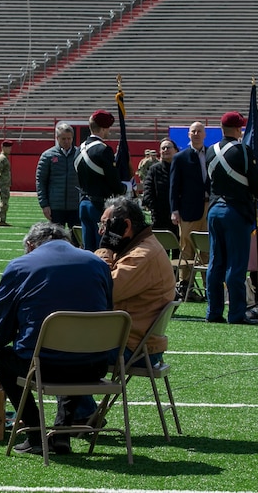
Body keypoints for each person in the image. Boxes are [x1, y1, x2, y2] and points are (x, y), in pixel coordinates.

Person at [0, 222, 113, 455]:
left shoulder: (20, 266)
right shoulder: (98, 264)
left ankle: (35, 434)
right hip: (94, 365)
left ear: (30, 246)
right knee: (70, 348)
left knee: (3, 359)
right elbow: (107, 312)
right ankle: (62, 434)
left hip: (45, 366)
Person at [95, 195, 176, 365]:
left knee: (63, 349)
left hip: (133, 348)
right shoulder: (135, 247)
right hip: (126, 339)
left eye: (105, 225)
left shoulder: (142, 255)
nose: (101, 232)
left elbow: (102, 291)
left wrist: (105, 249)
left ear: (126, 226)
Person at [204, 112, 258, 325]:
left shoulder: (211, 150)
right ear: (238, 129)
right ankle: (236, 314)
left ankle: (213, 311)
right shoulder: (243, 150)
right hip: (235, 210)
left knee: (215, 263)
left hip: (215, 209)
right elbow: (255, 183)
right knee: (236, 265)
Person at [169, 122, 209, 296]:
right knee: (187, 249)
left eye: (199, 131)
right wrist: (174, 210)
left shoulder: (212, 155)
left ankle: (210, 287)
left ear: (205, 134)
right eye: (193, 131)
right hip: (188, 211)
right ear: (188, 135)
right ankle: (185, 286)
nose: (196, 134)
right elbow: (174, 186)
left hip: (210, 207)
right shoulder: (180, 157)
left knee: (208, 248)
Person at [75, 110, 124, 250]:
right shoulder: (103, 150)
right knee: (102, 247)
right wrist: (124, 188)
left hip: (83, 202)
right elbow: (113, 181)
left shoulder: (79, 149)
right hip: (99, 205)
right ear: (103, 128)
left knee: (88, 247)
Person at [35, 122, 80, 230]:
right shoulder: (48, 156)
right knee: (56, 239)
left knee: (76, 241)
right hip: (55, 207)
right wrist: (44, 205)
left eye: (69, 138)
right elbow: (41, 180)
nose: (66, 141)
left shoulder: (79, 154)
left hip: (75, 206)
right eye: (63, 138)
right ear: (57, 138)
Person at [142, 138, 178, 234]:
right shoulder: (154, 169)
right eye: (163, 148)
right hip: (159, 216)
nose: (165, 150)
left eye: (168, 147)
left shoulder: (181, 167)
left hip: (179, 215)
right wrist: (154, 208)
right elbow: (148, 190)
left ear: (176, 150)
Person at [0, 140, 12, 227]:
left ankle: (2, 219)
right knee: (3, 202)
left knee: (5, 201)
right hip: (3, 183)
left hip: (5, 182)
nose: (10, 149)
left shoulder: (5, 157)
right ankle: (1, 220)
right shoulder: (2, 158)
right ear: (3, 148)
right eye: (8, 147)